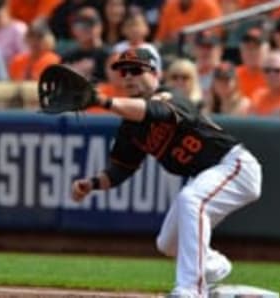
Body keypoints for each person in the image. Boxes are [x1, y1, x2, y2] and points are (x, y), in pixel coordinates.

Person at [71, 47, 262, 297]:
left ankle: (190, 290)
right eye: (123, 72)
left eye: (136, 70)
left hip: (234, 166)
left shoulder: (170, 96)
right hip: (209, 175)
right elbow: (120, 169)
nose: (128, 76)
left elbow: (155, 112)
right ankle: (213, 265)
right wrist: (92, 183)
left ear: (156, 73)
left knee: (191, 200)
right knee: (169, 243)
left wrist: (103, 101)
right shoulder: (131, 128)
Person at [61, 6, 110, 82]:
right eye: (80, 23)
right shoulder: (67, 58)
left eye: (90, 22)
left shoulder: (109, 56)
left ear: (100, 26)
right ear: (73, 29)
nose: (85, 27)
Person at [235, 27, 268, 99]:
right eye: (248, 48)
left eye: (256, 48)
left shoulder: (277, 74)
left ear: (267, 50)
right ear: (241, 51)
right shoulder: (233, 76)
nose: (251, 52)